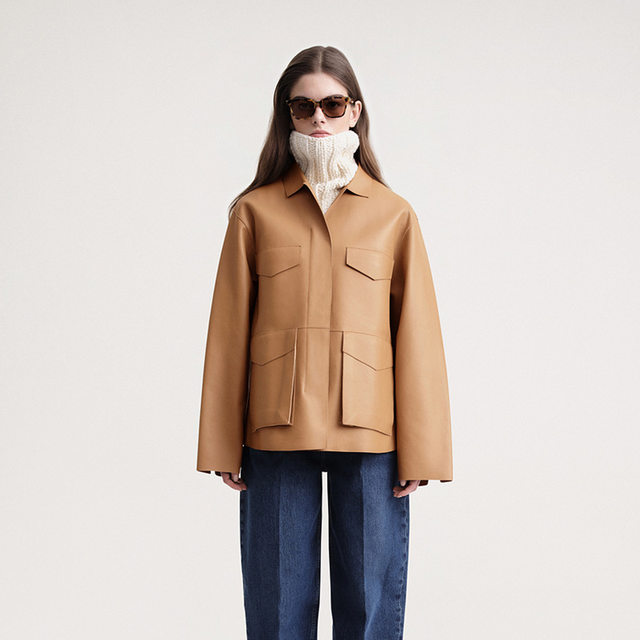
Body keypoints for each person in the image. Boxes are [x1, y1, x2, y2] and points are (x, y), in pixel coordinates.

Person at [196, 45, 453, 640]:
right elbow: (228, 333)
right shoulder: (254, 212)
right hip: (276, 430)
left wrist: (422, 451)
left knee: (369, 608)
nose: (318, 118)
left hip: (371, 433)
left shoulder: (393, 214)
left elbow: (417, 335)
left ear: (354, 111)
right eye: (303, 106)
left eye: (332, 105)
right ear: (286, 114)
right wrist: (221, 443)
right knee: (277, 609)